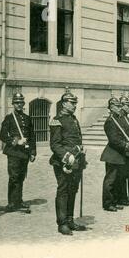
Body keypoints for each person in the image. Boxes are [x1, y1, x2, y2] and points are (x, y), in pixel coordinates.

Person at [49, 87, 87, 235]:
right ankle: (62, 223)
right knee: (63, 190)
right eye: (71, 103)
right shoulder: (57, 120)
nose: (74, 105)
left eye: (75, 103)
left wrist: (80, 151)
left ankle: (70, 220)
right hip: (62, 162)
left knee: (73, 190)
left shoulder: (73, 119)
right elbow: (55, 145)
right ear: (64, 104)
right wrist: (67, 156)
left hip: (76, 160)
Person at [0, 90, 36, 213]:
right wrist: (17, 141)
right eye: (17, 103)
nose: (19, 105)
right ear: (13, 104)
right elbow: (3, 136)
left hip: (24, 153)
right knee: (14, 177)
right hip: (14, 152)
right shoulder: (9, 118)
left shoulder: (27, 118)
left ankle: (18, 201)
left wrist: (32, 152)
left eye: (21, 102)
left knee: (21, 177)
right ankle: (11, 203)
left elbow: (32, 136)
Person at [101, 95, 129, 212]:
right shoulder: (110, 121)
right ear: (110, 108)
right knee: (110, 180)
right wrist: (126, 145)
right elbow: (114, 139)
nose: (119, 108)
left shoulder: (119, 118)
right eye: (116, 106)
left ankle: (116, 200)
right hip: (112, 153)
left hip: (119, 153)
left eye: (119, 106)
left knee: (118, 179)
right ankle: (108, 203)